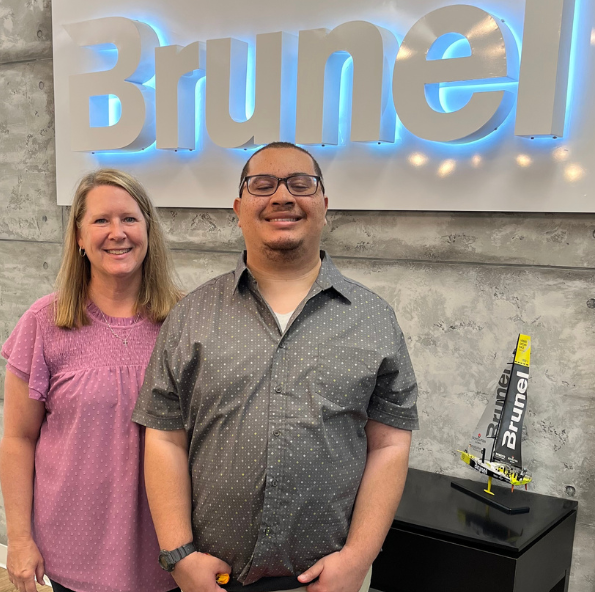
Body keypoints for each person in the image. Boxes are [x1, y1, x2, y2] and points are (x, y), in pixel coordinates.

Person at [133, 142, 419, 592]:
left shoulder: (373, 318)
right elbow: (165, 437)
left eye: (300, 184)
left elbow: (388, 445)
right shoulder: (191, 316)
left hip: (324, 582)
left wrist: (358, 560)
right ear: (239, 208)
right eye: (262, 185)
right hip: (214, 578)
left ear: (324, 205)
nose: (282, 197)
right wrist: (179, 556)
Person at [0, 169, 182, 592]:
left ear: (148, 231)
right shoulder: (44, 322)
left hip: (168, 548)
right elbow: (17, 440)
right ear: (79, 238)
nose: (117, 233)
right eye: (101, 221)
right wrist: (19, 539)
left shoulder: (183, 321)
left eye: (130, 219)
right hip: (73, 546)